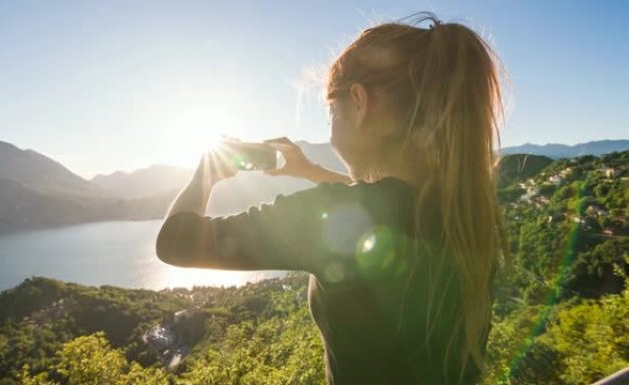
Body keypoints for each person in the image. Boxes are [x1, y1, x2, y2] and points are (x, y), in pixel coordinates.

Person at [156, 11, 510, 385]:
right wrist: (309, 171)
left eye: (331, 109)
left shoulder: (329, 216)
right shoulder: (467, 213)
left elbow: (175, 242)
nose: (330, 123)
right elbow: (387, 209)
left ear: (359, 101)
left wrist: (205, 173)